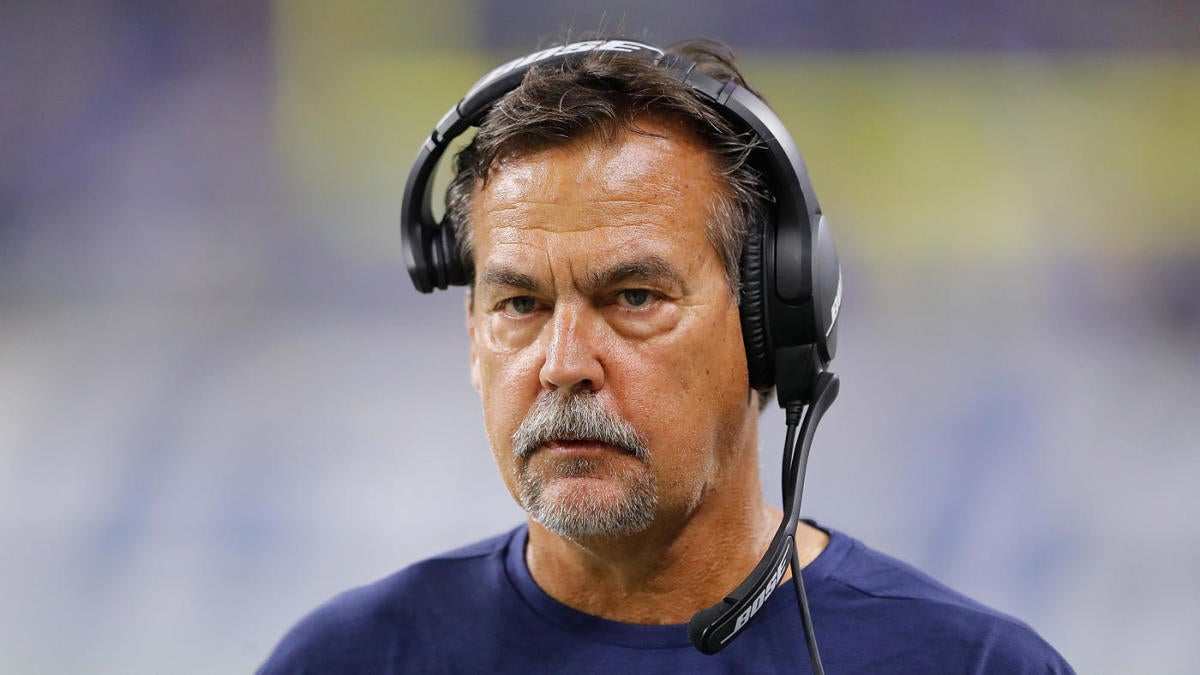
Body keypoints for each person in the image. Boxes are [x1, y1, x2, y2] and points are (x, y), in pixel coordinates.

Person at [258, 39, 1074, 673]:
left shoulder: (973, 665)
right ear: (473, 334)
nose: (563, 362)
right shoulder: (346, 658)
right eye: (520, 304)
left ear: (770, 325)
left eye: (634, 297)